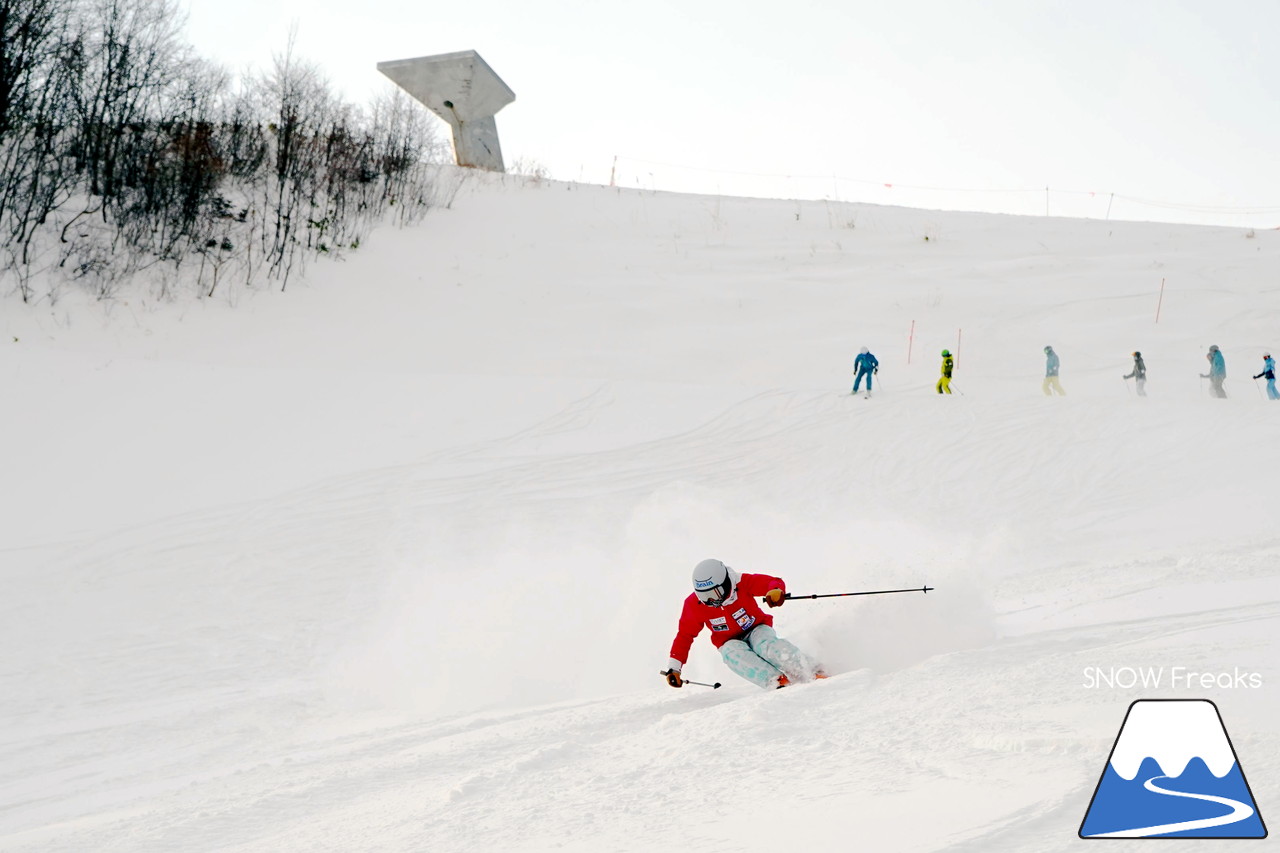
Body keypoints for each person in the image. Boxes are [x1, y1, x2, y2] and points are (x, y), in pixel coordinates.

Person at [663, 559, 824, 690]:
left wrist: (775, 591)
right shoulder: (694, 604)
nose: (711, 601)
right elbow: (685, 635)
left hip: (756, 628)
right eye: (704, 596)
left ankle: (811, 671)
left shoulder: (740, 582)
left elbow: (772, 582)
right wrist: (674, 667)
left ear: (725, 583)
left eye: (714, 594)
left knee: (765, 645)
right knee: (733, 654)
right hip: (728, 640)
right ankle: (776, 682)